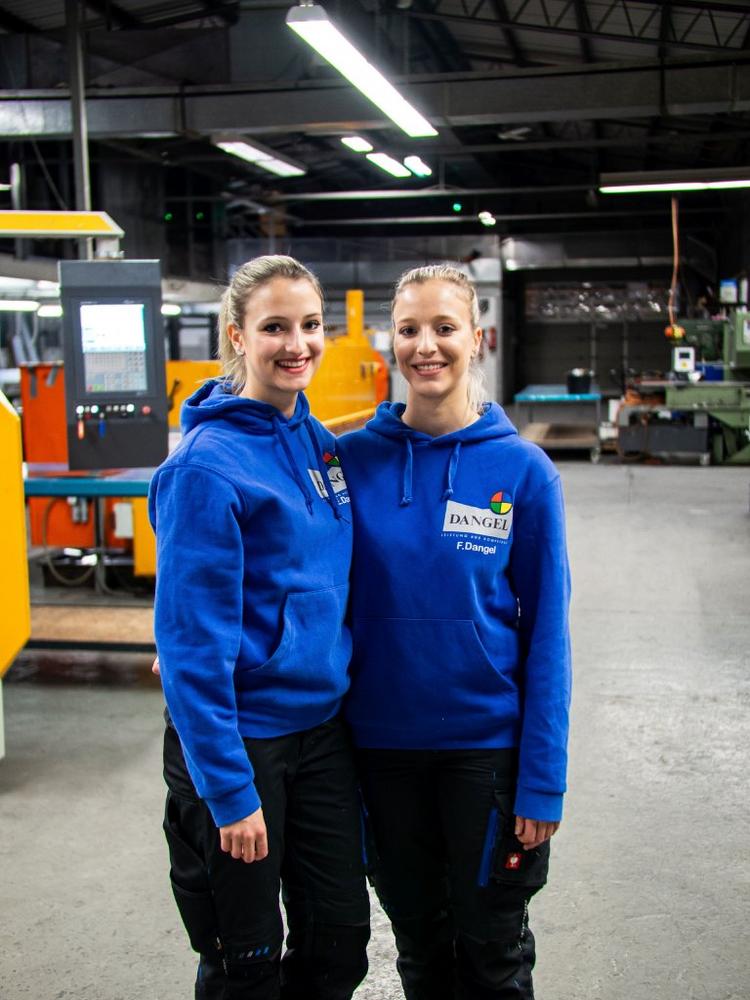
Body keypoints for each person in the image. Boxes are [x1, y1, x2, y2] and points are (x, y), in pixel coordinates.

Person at [337, 264, 571, 1000]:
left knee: (493, 952)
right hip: (381, 753)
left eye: (444, 328)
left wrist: (542, 780)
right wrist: (200, 634)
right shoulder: (350, 462)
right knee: (419, 949)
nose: (425, 346)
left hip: (485, 755)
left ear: (477, 337)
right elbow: (288, 564)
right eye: (409, 329)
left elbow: (549, 637)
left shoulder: (522, 472)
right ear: (392, 341)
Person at [148, 255, 369, 1000]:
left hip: (322, 734)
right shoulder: (204, 469)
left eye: (310, 325)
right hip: (241, 741)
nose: (296, 344)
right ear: (238, 335)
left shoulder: (320, 444)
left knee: (339, 943)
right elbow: (190, 648)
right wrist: (229, 790)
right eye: (275, 327)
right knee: (244, 962)